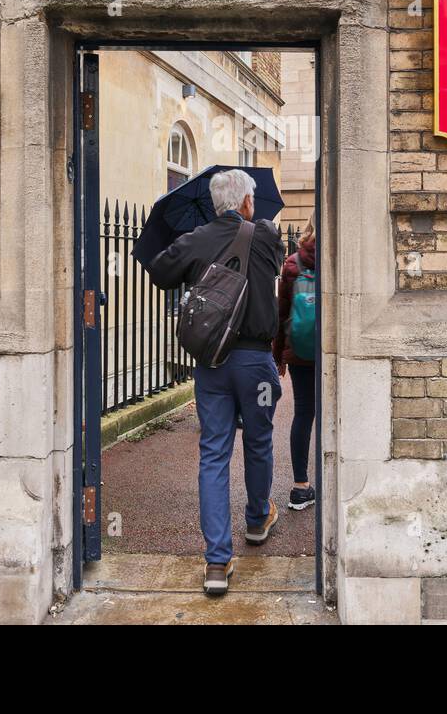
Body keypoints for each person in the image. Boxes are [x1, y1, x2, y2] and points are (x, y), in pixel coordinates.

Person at [147, 168, 283, 596]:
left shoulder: (195, 239)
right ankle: (258, 518)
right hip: (256, 362)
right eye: (252, 199)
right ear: (245, 202)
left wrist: (193, 254)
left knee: (213, 454)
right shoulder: (264, 235)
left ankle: (217, 562)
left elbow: (160, 274)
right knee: (259, 441)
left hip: (212, 363)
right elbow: (278, 262)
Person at [272, 216, 317, 511]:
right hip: (334, 351)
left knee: (303, 414)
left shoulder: (292, 264)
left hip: (301, 352)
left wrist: (279, 357)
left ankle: (300, 487)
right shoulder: (340, 255)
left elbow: (281, 314)